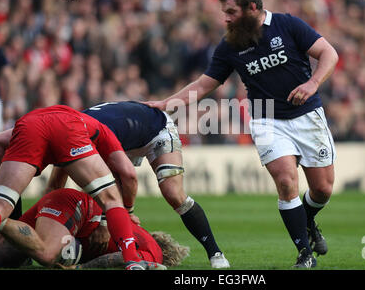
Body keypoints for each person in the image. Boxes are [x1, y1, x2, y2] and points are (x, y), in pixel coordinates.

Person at [145, 0, 338, 268]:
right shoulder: (230, 45)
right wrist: (167, 103)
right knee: (286, 182)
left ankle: (307, 219)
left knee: (322, 189)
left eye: (231, 12)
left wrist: (312, 83)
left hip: (306, 113)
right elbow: (204, 84)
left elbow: (329, 54)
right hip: (265, 116)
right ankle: (305, 254)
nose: (226, 18)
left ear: (253, 8)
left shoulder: (287, 25)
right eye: (224, 12)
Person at [46, 100, 229, 269]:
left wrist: (122, 215)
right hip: (124, 131)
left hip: (155, 129)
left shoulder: (86, 135)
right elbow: (54, 185)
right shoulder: (67, 133)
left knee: (173, 193)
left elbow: (125, 178)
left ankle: (215, 253)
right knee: (90, 188)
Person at [0, 105, 154, 270]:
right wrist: (128, 211)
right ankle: (133, 261)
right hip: (69, 126)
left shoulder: (38, 121)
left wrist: (3, 182)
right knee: (111, 199)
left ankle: (2, 219)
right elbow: (129, 174)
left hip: (29, 123)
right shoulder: (101, 129)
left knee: (0, 205)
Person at [0, 188, 189, 269]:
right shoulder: (153, 254)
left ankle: (0, 218)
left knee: (0, 256)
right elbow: (124, 258)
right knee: (46, 255)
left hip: (70, 205)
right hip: (76, 208)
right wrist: (80, 268)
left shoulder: (138, 233)